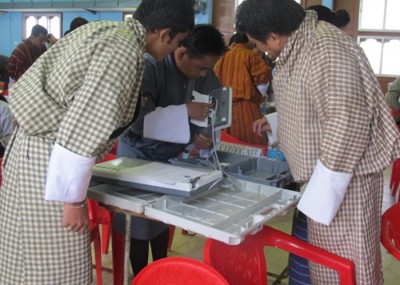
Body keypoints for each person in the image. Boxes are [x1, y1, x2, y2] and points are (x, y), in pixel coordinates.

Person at [0, 0, 195, 284]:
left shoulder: (105, 30)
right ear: (165, 34)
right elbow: (83, 126)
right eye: (175, 42)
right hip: (49, 159)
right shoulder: (123, 51)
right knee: (55, 265)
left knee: (25, 255)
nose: (171, 52)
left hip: (35, 150)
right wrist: (74, 201)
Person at [237, 0, 400, 284]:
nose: (263, 51)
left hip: (346, 183)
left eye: (260, 44)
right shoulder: (304, 45)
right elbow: (312, 104)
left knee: (347, 265)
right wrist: (277, 121)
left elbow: (347, 123)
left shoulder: (326, 49)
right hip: (328, 179)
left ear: (274, 36)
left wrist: (320, 196)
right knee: (326, 264)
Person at [113, 24, 226, 276]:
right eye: (201, 67)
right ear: (182, 53)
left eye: (209, 68)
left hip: (169, 158)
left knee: (163, 219)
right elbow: (138, 120)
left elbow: (213, 109)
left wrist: (205, 136)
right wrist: (185, 110)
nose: (204, 74)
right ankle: (143, 275)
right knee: (139, 222)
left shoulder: (205, 73)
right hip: (137, 154)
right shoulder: (151, 65)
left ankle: (161, 271)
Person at [214, 32, 272, 145]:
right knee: (251, 143)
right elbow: (262, 81)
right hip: (246, 108)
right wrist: (261, 96)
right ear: (249, 41)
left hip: (224, 109)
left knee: (227, 144)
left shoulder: (221, 58)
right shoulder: (250, 55)